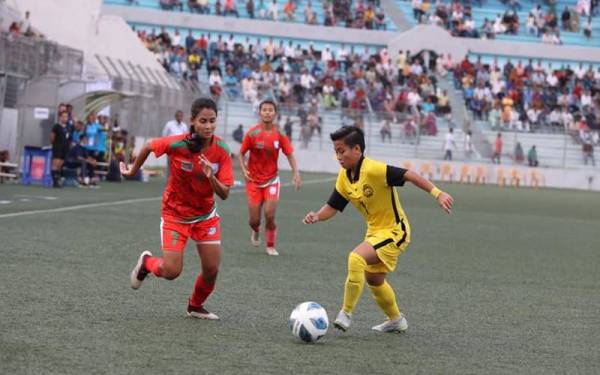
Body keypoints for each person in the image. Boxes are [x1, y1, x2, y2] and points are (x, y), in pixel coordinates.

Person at [303, 126, 453, 333]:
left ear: (357, 149)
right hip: (374, 233)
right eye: (336, 151)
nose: (338, 156)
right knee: (374, 280)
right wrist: (317, 216)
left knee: (355, 258)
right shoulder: (344, 177)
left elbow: (409, 174)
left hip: (395, 231)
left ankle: (345, 314)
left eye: (341, 151)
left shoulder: (375, 170)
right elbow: (334, 206)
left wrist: (437, 193)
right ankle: (396, 320)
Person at [123, 98, 234, 320]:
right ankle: (146, 263)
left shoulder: (221, 150)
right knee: (172, 271)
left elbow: (224, 193)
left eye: (212, 121)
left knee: (212, 269)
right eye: (203, 121)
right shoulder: (177, 143)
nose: (208, 126)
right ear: (192, 121)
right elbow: (148, 146)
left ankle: (195, 306)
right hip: (175, 214)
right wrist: (133, 169)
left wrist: (211, 177)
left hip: (205, 216)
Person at [238, 99, 301, 256]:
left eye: (270, 110)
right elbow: (241, 153)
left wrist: (296, 173)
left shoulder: (280, 134)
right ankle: (256, 230)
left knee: (270, 214)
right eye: (264, 109)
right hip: (253, 181)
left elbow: (290, 154)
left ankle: (270, 245)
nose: (267, 112)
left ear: (275, 113)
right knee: (254, 220)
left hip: (271, 180)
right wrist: (244, 169)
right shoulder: (252, 133)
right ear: (260, 112)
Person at [50, 111, 70, 188]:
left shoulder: (68, 127)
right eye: (63, 116)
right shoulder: (56, 126)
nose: (65, 118)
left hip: (64, 148)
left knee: (60, 165)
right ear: (60, 117)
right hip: (57, 147)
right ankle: (54, 182)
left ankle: (57, 180)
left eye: (66, 117)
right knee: (56, 164)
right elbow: (52, 137)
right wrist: (55, 144)